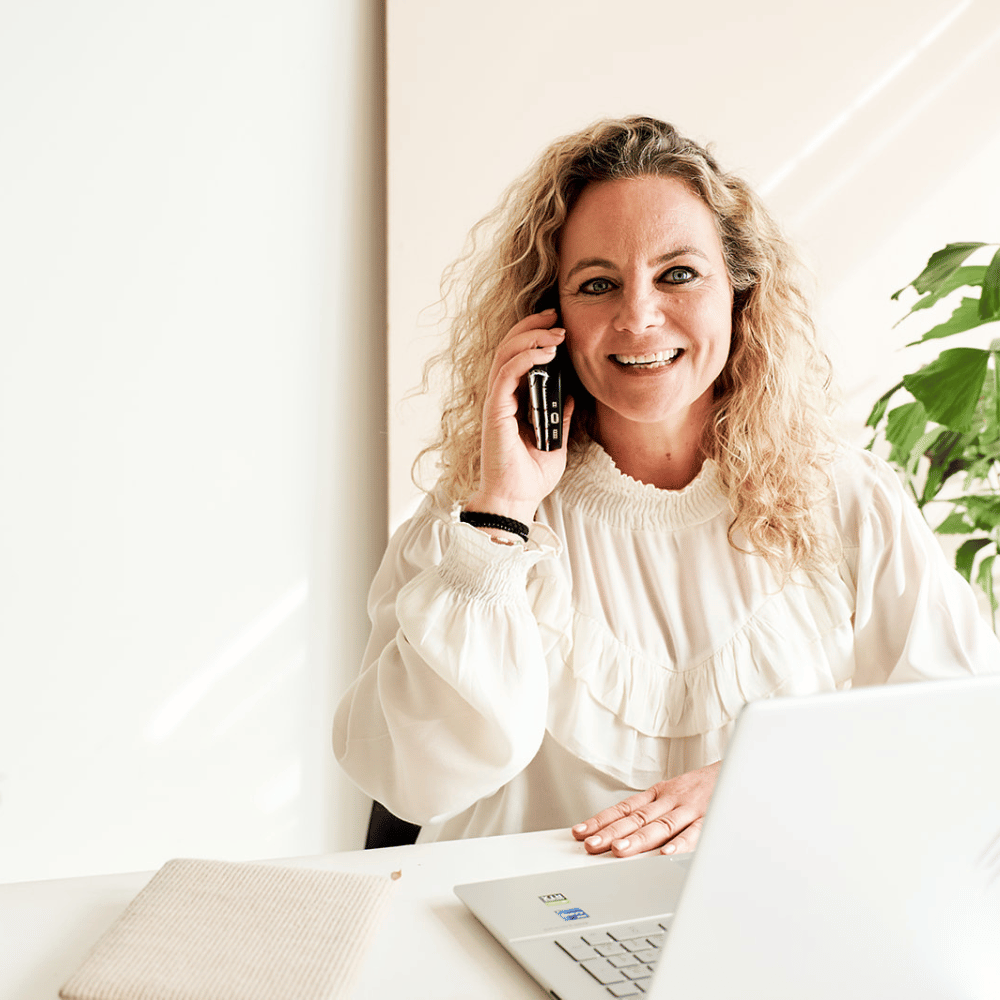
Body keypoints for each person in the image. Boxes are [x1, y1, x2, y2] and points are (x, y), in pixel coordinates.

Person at [333, 116, 999, 858]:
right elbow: (412, 783)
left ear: (739, 292)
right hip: (520, 917)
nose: (639, 317)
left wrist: (769, 776)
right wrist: (506, 513)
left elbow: (968, 735)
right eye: (598, 284)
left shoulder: (846, 498)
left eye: (678, 274)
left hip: (767, 911)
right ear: (549, 316)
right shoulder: (473, 523)